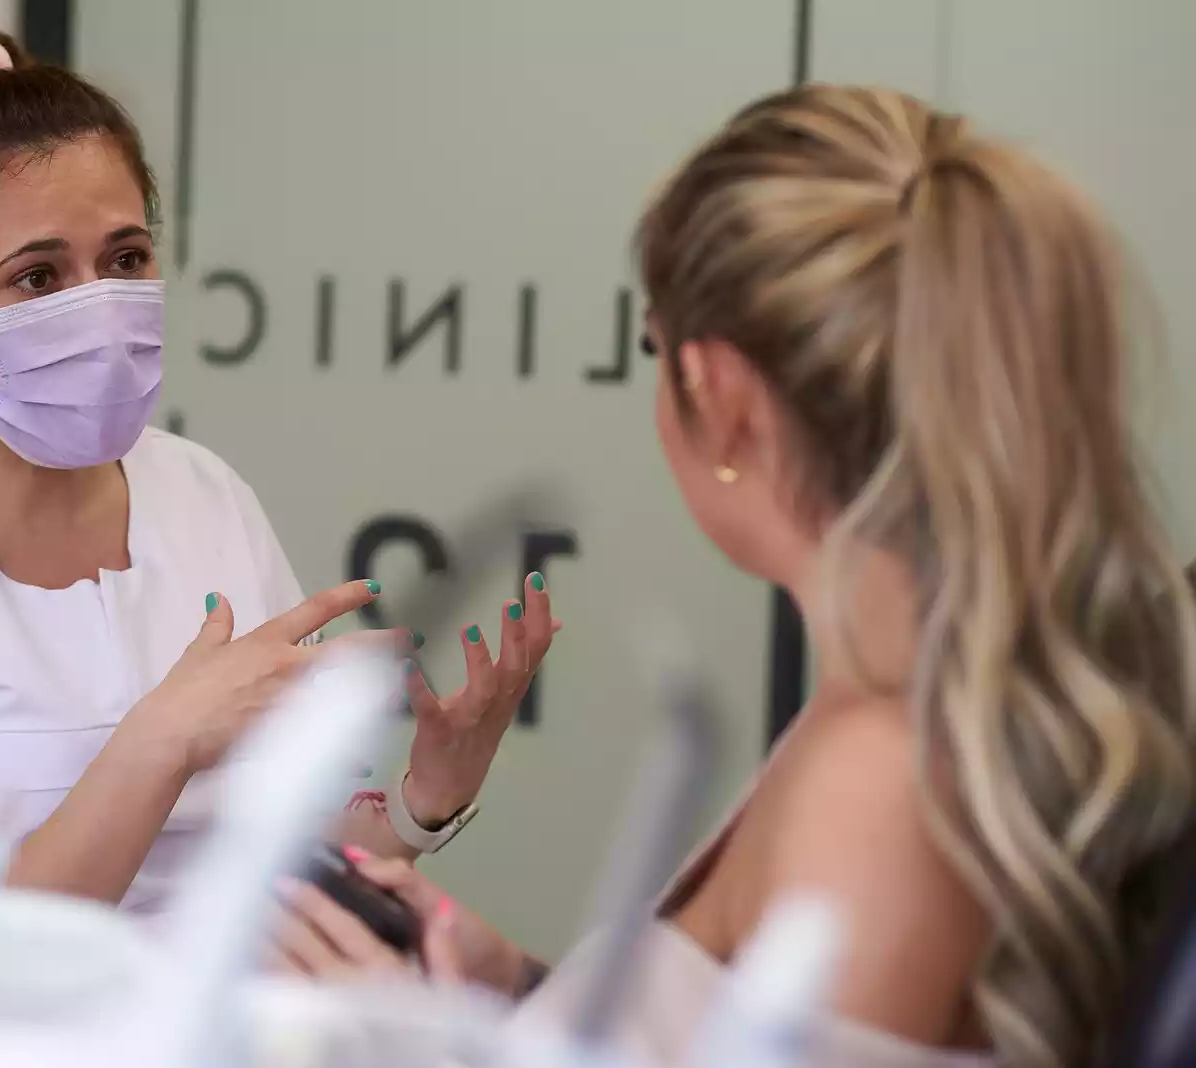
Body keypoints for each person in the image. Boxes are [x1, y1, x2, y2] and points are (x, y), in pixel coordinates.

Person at [269, 85, 1196, 1068]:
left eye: (654, 347)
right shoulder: (884, 719)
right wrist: (514, 996)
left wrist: (407, 1048)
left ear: (724, 401)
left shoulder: (874, 792)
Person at [0, 17, 556, 912]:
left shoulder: (204, 496)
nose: (102, 308)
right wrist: (160, 742)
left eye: (125, 258)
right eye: (38, 278)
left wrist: (426, 798)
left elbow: (283, 866)